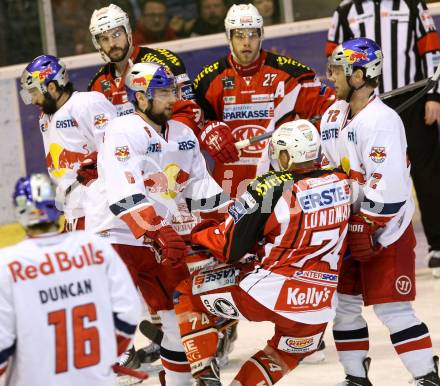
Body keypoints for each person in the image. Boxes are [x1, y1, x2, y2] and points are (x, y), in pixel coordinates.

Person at [173, 119, 351, 385]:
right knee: (283, 354)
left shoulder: (270, 187)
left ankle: (203, 374)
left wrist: (198, 233)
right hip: (318, 305)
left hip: (267, 294)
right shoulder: (342, 181)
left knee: (186, 293)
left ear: (285, 155)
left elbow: (228, 246)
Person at [87, 62, 230, 386]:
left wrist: (235, 220)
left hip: (158, 238)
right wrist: (155, 229)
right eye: (163, 93)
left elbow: (199, 189)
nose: (172, 99)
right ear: (140, 97)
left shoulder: (182, 134)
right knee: (117, 314)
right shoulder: (122, 130)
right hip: (115, 234)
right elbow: (124, 192)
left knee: (178, 321)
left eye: (173, 91)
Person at [322, 37, 440, 386]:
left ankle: (427, 377)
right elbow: (327, 170)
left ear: (359, 76)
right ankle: (355, 378)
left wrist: (365, 226)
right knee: (344, 307)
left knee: (392, 308)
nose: (332, 77)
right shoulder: (332, 116)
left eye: (339, 71)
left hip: (386, 232)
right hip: (349, 229)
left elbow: (389, 191)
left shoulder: (383, 121)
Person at [326, 0, 440, 278]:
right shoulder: (345, 10)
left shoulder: (412, 5)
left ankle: (437, 244)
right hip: (362, 101)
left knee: (427, 173)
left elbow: (432, 50)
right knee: (359, 170)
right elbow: (333, 57)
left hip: (410, 101)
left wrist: (434, 94)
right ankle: (359, 237)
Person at [0, 173, 143, 386]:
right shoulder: (95, 247)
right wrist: (108, 355)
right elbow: (128, 313)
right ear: (57, 205)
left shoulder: (8, 264)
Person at [193, 3, 335, 199]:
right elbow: (190, 122)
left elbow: (332, 112)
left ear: (261, 35)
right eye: (239, 35)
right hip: (229, 182)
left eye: (252, 34)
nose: (246, 42)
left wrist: (307, 137)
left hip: (280, 181)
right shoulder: (208, 79)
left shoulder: (292, 74)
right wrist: (208, 129)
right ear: (229, 37)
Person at [19, 54, 117, 231]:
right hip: (73, 213)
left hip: (101, 212)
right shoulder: (45, 118)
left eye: (34, 92)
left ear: (52, 87)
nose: (32, 100)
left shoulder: (88, 103)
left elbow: (117, 149)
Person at [88, 3, 195, 117]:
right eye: (104, 39)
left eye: (117, 34)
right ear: (97, 44)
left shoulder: (163, 63)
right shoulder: (97, 83)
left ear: (128, 32)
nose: (112, 44)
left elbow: (191, 112)